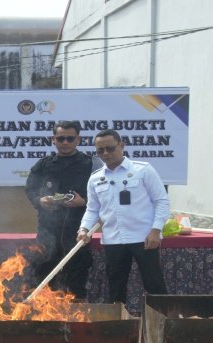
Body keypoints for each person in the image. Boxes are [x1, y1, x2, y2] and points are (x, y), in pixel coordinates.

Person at [77, 129, 170, 304]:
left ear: (122, 145)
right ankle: (118, 326)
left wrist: (156, 231)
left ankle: (161, 323)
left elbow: (161, 201)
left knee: (154, 285)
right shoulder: (95, 179)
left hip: (144, 237)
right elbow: (92, 209)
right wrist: (84, 229)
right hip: (113, 240)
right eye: (100, 151)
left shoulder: (143, 170)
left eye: (110, 148)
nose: (105, 154)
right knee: (115, 287)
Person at [24, 120, 101, 299]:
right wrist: (40, 200)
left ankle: (76, 321)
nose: (65, 142)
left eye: (70, 138)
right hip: (47, 233)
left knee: (76, 284)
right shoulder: (43, 164)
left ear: (78, 139)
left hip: (77, 233)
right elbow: (30, 188)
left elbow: (102, 195)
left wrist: (84, 202)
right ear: (53, 139)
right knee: (40, 280)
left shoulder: (91, 164)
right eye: (61, 138)